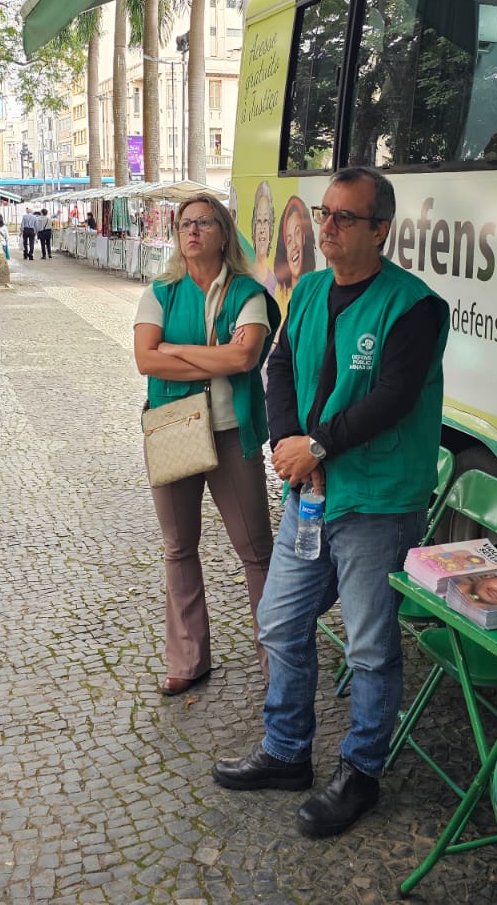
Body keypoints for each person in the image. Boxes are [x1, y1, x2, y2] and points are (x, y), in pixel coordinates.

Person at [213, 167, 447, 840]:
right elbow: (280, 366)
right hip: (311, 498)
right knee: (279, 621)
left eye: (347, 217)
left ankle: (361, 772)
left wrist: (316, 446)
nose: (329, 227)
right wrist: (288, 441)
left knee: (369, 647)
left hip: (377, 502)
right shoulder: (311, 289)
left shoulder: (415, 307)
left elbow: (393, 398)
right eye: (326, 213)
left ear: (381, 229)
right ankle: (287, 752)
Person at [134, 195, 280, 695]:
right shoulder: (160, 293)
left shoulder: (248, 293)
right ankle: (188, 659)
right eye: (185, 224)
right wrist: (208, 356)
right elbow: (146, 360)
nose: (192, 230)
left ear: (223, 233)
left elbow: (244, 359)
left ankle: (277, 661)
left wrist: (175, 349)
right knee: (178, 548)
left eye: (204, 222)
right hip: (172, 427)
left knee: (256, 550)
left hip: (231, 430)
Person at [273, 195, 315, 310]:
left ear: (304, 238)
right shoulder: (279, 295)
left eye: (297, 233)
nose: (294, 246)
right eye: (289, 240)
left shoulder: (315, 292)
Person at [249, 181, 276, 296]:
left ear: (271, 229)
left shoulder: (274, 280)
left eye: (266, 221)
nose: (262, 230)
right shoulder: (246, 276)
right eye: (259, 221)